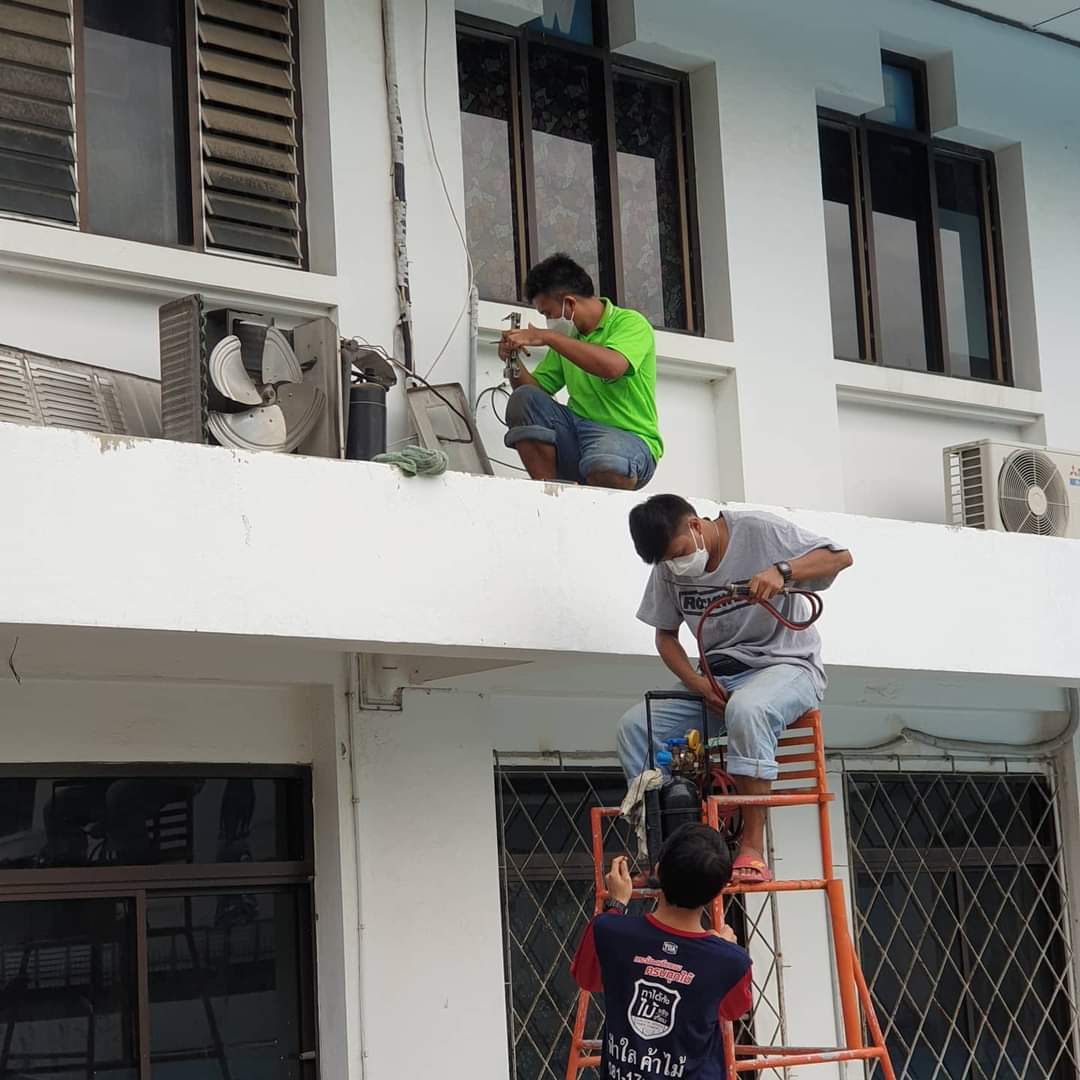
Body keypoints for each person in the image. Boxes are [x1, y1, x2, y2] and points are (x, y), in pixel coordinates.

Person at [618, 494, 853, 884]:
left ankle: (752, 849)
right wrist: (697, 683)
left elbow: (840, 557)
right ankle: (663, 853)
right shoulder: (667, 569)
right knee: (635, 726)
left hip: (785, 667)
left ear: (695, 525)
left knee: (747, 709)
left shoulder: (757, 530)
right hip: (715, 679)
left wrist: (782, 571)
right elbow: (666, 637)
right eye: (667, 562)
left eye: (679, 554)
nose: (677, 566)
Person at [570, 825, 752, 1079]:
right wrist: (722, 948)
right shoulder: (731, 962)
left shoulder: (608, 930)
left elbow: (587, 979)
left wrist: (615, 904)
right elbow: (733, 1010)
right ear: (720, 889)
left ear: (657, 870)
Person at [498, 253, 661, 490]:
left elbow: (612, 366)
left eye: (548, 314)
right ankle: (549, 494)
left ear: (570, 304)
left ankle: (588, 498)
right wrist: (513, 362)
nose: (548, 322)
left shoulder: (630, 323)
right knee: (523, 399)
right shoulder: (567, 338)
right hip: (577, 435)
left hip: (629, 439)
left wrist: (548, 337)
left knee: (605, 461)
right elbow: (534, 395)